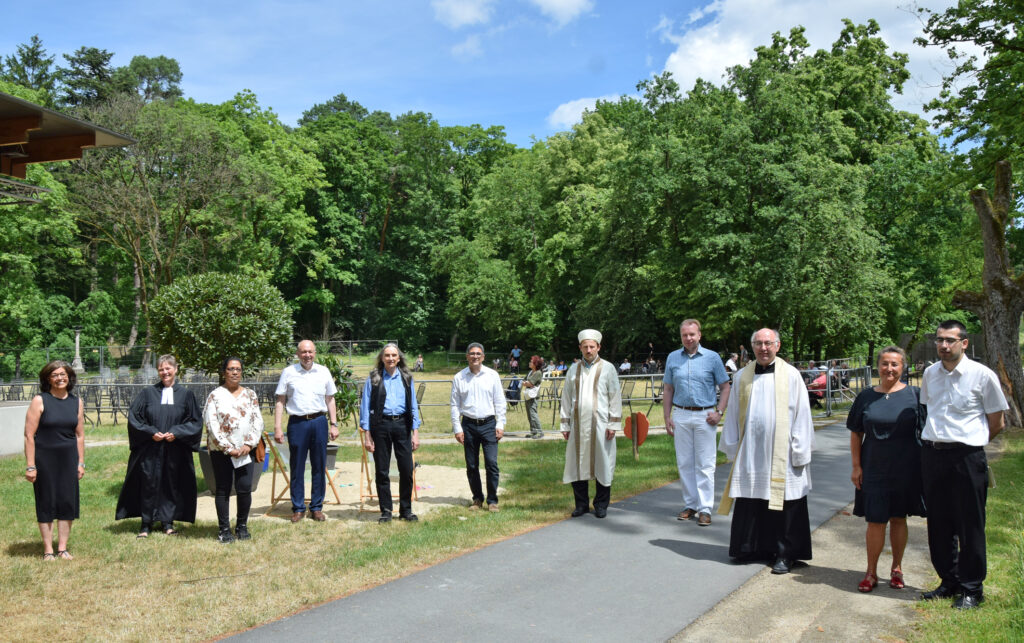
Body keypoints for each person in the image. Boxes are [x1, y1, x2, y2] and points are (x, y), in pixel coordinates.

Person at [918, 320, 1007, 609]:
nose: (944, 345)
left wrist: (971, 443)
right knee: (939, 524)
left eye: (950, 340)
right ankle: (949, 581)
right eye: (940, 340)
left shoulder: (982, 376)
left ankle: (972, 589)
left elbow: (997, 422)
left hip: (967, 457)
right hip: (933, 455)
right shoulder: (930, 374)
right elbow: (930, 410)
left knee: (969, 525)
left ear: (964, 343)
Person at [720, 328, 815, 574]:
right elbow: (733, 412)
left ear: (778, 345)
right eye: (758, 343)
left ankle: (785, 553)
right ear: (752, 347)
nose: (763, 348)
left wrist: (800, 450)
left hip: (782, 452)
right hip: (751, 450)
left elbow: (803, 414)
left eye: (768, 343)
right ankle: (749, 548)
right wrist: (732, 446)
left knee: (785, 502)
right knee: (752, 499)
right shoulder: (742, 376)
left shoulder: (792, 375)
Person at [848, 347, 926, 592]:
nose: (889, 369)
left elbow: (928, 431)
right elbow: (856, 433)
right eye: (885, 364)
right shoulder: (865, 397)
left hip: (906, 467)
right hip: (873, 467)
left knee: (899, 518)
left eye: (895, 364)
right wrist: (856, 466)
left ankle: (897, 568)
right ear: (877, 366)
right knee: (875, 521)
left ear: (903, 367)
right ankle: (871, 572)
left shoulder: (916, 395)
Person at [116, 355, 203, 537]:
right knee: (148, 484)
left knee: (171, 484)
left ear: (176, 369)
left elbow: (195, 422)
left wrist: (177, 433)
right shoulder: (147, 393)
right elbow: (134, 418)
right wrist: (150, 433)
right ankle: (146, 524)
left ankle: (167, 523)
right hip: (150, 449)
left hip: (175, 450)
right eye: (161, 369)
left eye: (168, 368)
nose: (165, 372)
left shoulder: (186, 395)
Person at [663, 319, 731, 526]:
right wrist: (667, 417)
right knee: (684, 462)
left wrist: (719, 412)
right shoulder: (673, 358)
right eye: (685, 335)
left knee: (705, 463)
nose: (688, 338)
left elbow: (725, 387)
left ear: (699, 335)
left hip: (705, 415)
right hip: (681, 414)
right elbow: (668, 389)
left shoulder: (712, 358)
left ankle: (705, 508)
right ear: (681, 336)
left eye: (692, 334)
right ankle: (690, 504)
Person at [24, 361, 84, 560]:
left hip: (69, 459)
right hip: (45, 459)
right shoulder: (40, 400)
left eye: (63, 374)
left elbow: (79, 435)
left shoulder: (77, 402)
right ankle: (48, 549)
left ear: (69, 377)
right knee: (46, 501)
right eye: (55, 375)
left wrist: (80, 462)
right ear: (48, 379)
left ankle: (63, 548)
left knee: (67, 501)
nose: (60, 378)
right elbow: (29, 436)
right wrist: (31, 465)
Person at [273, 340, 339, 523]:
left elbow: (330, 399)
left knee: (319, 465)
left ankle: (316, 507)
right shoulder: (289, 372)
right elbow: (280, 400)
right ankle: (299, 507)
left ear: (315, 353)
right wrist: (277, 427)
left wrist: (334, 424)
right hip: (297, 423)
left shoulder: (323, 371)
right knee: (297, 467)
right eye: (303, 352)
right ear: (297, 353)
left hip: (319, 421)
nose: (307, 355)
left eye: (310, 352)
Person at [561, 329, 622, 519]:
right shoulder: (573, 369)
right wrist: (565, 424)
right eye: (585, 346)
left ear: (598, 347)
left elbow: (615, 396)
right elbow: (566, 397)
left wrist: (613, 423)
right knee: (576, 463)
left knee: (603, 462)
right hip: (578, 426)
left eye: (592, 346)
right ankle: (581, 505)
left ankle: (601, 504)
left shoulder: (608, 368)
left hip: (601, 425)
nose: (588, 350)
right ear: (580, 347)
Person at [204, 357, 263, 544]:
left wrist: (248, 445)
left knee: (244, 488)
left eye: (238, 369)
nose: (235, 372)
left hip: (246, 451)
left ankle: (242, 527)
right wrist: (228, 448)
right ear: (224, 372)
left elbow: (257, 421)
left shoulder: (251, 395)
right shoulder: (215, 396)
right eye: (230, 369)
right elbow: (211, 424)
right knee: (223, 489)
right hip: (221, 452)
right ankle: (224, 530)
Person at [360, 343, 421, 523]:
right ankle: (386, 510)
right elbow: (365, 407)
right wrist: (367, 434)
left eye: (394, 355)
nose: (391, 358)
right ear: (382, 358)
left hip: (402, 425)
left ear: (399, 357)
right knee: (382, 470)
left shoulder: (407, 378)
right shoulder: (374, 378)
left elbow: (413, 406)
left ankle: (406, 510)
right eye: (387, 355)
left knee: (406, 469)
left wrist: (415, 432)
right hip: (381, 426)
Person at [450, 343, 507, 511]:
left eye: (478, 354)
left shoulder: (492, 375)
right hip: (468, 425)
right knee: (472, 465)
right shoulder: (459, 377)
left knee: (491, 463)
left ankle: (492, 501)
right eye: (472, 353)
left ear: (483, 356)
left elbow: (500, 401)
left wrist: (500, 423)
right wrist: (457, 428)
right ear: (467, 356)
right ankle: (477, 499)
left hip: (489, 424)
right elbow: (454, 405)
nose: (475, 356)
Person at [523, 355, 545, 439]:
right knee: (529, 415)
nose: (529, 363)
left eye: (531, 361)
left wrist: (526, 383)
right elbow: (524, 380)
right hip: (528, 395)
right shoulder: (530, 372)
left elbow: (530, 383)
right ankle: (533, 432)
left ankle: (540, 432)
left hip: (533, 396)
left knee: (533, 414)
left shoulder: (538, 373)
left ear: (535, 364)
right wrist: (526, 383)